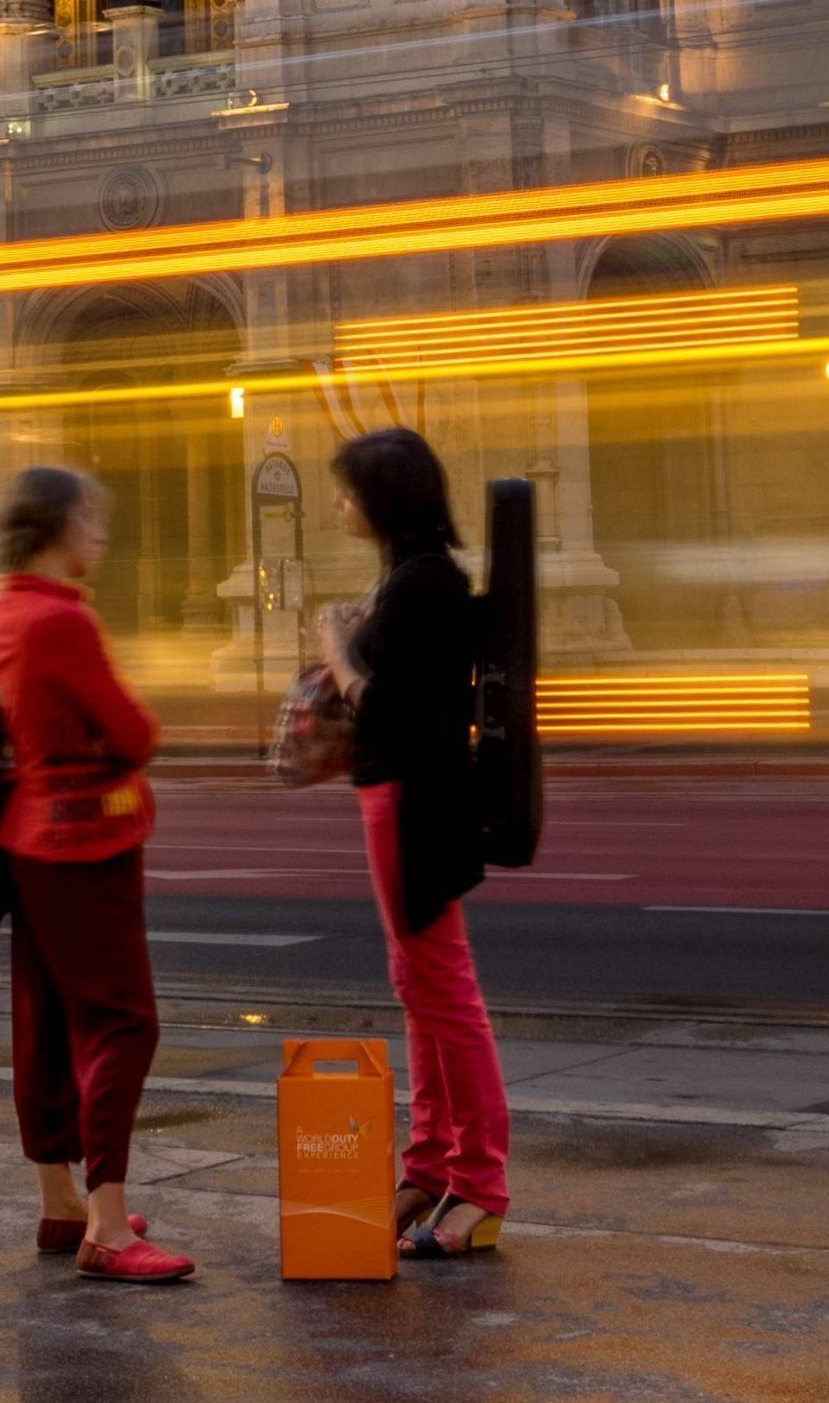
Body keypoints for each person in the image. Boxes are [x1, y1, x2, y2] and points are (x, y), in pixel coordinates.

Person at [0, 466, 193, 1283]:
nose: (99, 535)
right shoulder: (63, 621)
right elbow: (135, 732)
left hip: (28, 839)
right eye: (89, 520)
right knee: (122, 1022)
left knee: (41, 1021)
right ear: (56, 528)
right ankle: (107, 1223)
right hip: (86, 839)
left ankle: (60, 1198)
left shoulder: (6, 609)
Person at [317, 426, 508, 1255]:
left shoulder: (421, 582)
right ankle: (429, 1165)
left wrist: (333, 650)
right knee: (419, 985)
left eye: (348, 490)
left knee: (443, 991)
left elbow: (383, 704)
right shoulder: (413, 577)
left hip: (412, 797)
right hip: (399, 794)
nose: (338, 504)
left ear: (383, 498)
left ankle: (479, 1186)